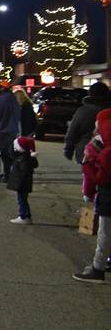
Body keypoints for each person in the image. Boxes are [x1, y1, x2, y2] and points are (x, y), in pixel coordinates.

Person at [73, 108, 111, 283]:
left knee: (104, 232)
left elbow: (97, 178)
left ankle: (98, 268)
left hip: (105, 196)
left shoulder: (101, 150)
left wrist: (87, 163)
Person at [64, 81, 111, 164]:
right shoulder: (108, 111)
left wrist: (68, 149)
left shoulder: (83, 111)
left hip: (87, 152)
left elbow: (73, 131)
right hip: (107, 154)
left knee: (89, 175)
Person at [6, 136, 38, 224]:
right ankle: (26, 215)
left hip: (22, 184)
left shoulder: (24, 159)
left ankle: (24, 216)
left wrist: (18, 184)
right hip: (23, 184)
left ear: (22, 148)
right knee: (22, 200)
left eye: (16, 146)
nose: (14, 147)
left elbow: (23, 173)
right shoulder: (25, 157)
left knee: (21, 200)